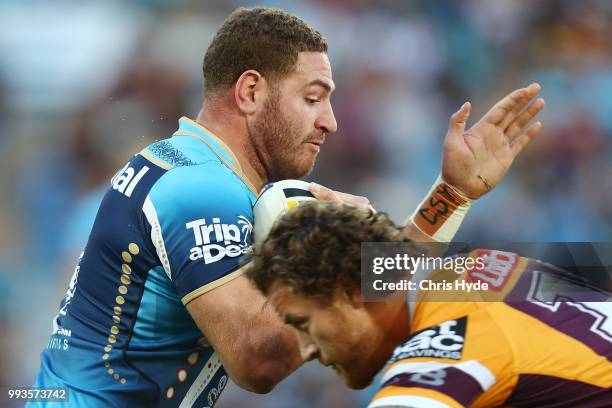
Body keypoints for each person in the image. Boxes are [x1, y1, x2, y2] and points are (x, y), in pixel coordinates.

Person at [30, 6, 544, 407]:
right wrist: (353, 265)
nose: (331, 122)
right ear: (251, 91)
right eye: (314, 97)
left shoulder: (196, 171)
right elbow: (258, 359)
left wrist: (448, 197)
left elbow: (361, 308)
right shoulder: (198, 190)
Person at [246, 201, 612, 407]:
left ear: (351, 291)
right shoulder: (477, 269)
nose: (305, 349)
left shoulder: (444, 345)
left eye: (303, 323)